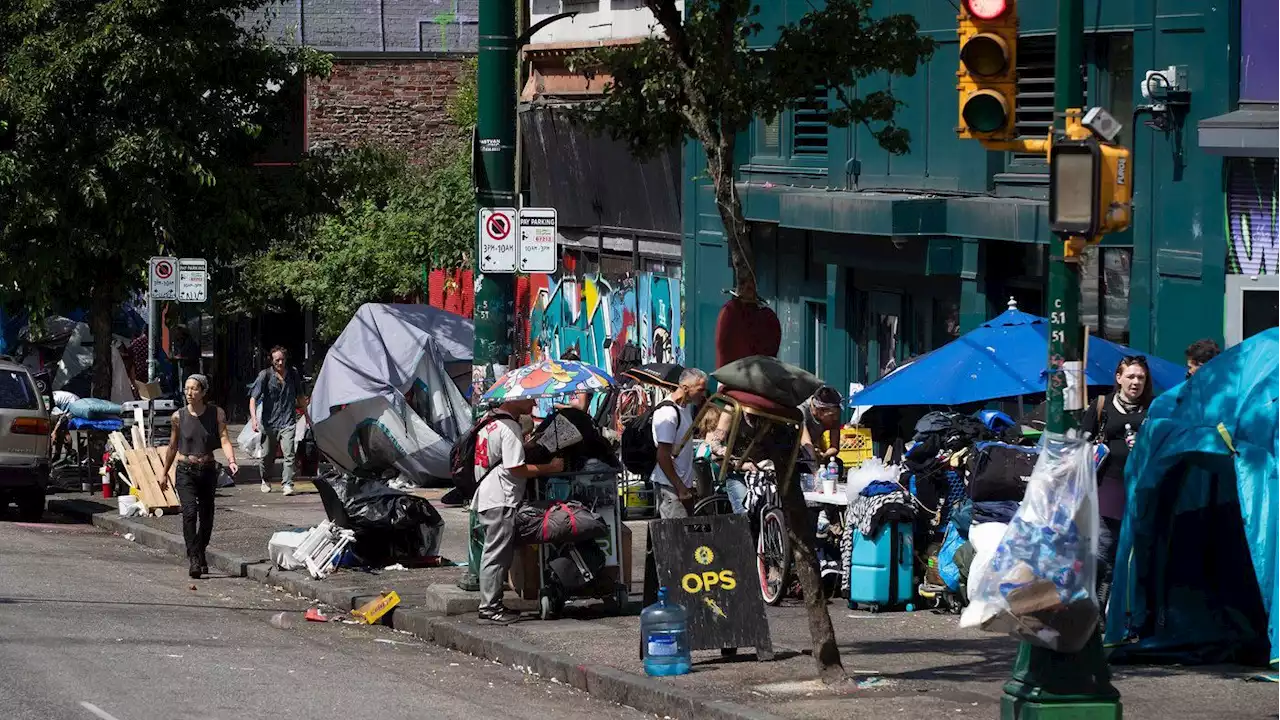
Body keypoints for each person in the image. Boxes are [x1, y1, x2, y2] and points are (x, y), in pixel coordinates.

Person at [473, 396, 564, 624]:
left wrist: (527, 446)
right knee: (496, 555)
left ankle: (492, 604)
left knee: (495, 553)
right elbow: (516, 468)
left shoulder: (490, 421)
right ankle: (490, 607)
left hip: (489, 495)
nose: (533, 402)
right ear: (514, 399)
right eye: (528, 398)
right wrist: (549, 468)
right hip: (500, 497)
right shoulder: (510, 426)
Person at [1081, 355, 1153, 620]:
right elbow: (1082, 440)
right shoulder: (1101, 405)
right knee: (1103, 549)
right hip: (1106, 486)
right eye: (1131, 376)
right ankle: (1093, 606)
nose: (1136, 382)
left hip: (1139, 489)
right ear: (1118, 378)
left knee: (1124, 553)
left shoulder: (1154, 408)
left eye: (1141, 377)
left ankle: (1106, 611)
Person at [160, 374, 238, 579]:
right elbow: (172, 446)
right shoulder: (178, 416)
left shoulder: (216, 413)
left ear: (203, 392)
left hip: (208, 469)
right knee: (189, 512)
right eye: (186, 388)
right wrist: (164, 473)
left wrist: (231, 460)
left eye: (194, 389)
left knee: (207, 516)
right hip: (185, 469)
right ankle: (194, 558)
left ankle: (200, 550)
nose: (189, 393)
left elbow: (224, 439)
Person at [650, 368, 709, 518]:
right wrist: (680, 487)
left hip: (682, 486)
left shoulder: (686, 407)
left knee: (685, 534)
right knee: (676, 537)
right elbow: (663, 455)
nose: (703, 394)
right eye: (700, 390)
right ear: (685, 388)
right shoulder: (668, 414)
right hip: (671, 487)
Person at [250, 346, 303, 496]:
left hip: (288, 421)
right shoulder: (265, 375)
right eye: (277, 360)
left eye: (282, 359)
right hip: (269, 422)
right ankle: (265, 480)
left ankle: (287, 484)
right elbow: (253, 398)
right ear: (272, 361)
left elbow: (300, 396)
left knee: (289, 454)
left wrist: (307, 415)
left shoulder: (293, 374)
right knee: (268, 455)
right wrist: (254, 419)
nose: (280, 363)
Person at [714, 274, 781, 369]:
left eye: (750, 284)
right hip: (742, 373)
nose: (747, 287)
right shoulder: (730, 312)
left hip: (751, 373)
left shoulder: (769, 317)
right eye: (743, 283)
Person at [799, 386, 843, 470]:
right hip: (797, 451)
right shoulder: (802, 411)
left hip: (816, 451)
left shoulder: (834, 413)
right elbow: (806, 443)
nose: (835, 418)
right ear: (820, 410)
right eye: (831, 415)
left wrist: (824, 455)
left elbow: (835, 447)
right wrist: (816, 474)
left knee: (838, 465)